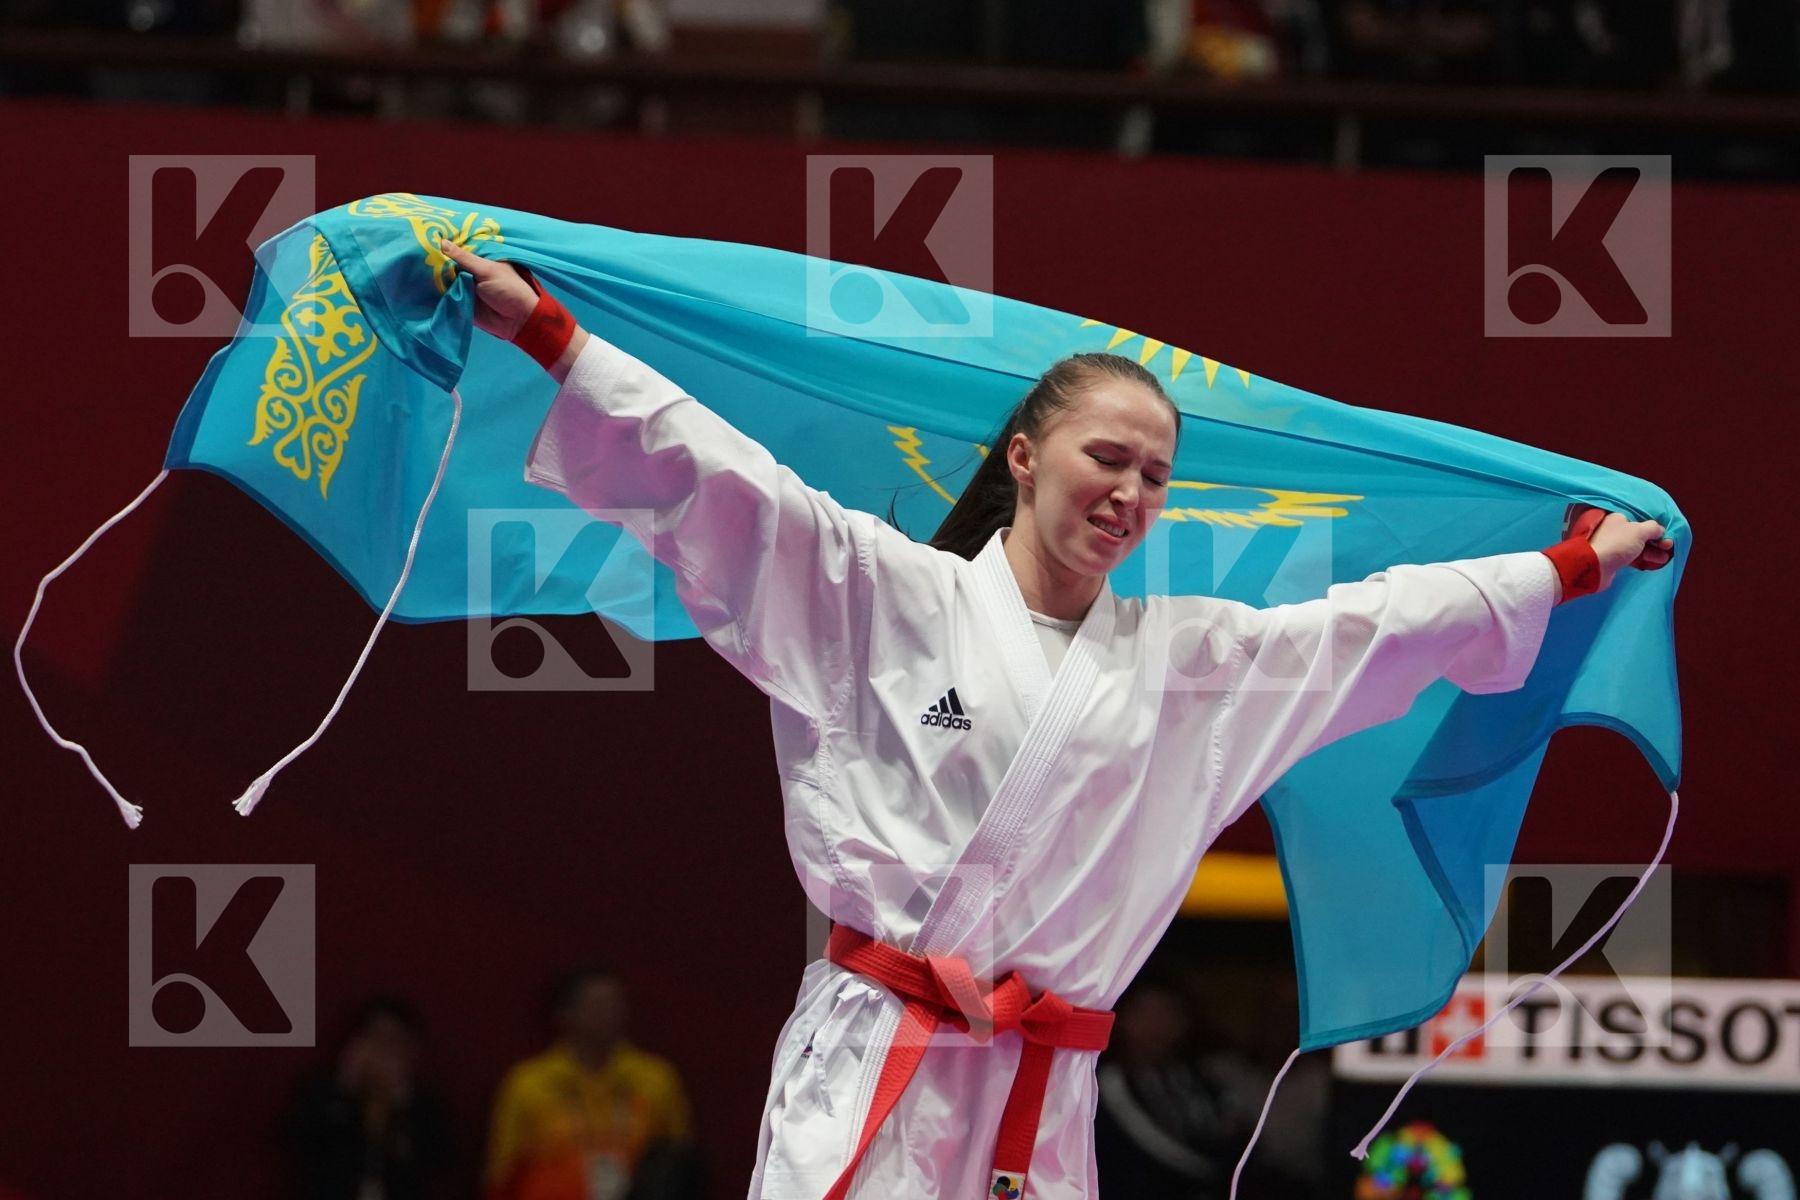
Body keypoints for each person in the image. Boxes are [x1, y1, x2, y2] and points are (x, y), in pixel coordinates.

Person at [437, 236, 1673, 1200]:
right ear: (1025, 456)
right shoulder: (885, 595)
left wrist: (1571, 568)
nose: (1131, 492)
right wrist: (549, 332)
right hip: (875, 1056)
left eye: (1155, 474)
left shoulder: (1190, 665)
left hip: (1044, 1091)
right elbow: (720, 481)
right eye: (1107, 457)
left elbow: (1376, 626)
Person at [484, 964, 697, 1200]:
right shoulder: (528, 1083)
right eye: (596, 1004)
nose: (608, 1012)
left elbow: (680, 1164)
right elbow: (502, 1172)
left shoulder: (656, 1078)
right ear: (565, 1013)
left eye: (614, 1003)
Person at [279, 994, 453, 1200]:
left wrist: (400, 1102)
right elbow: (298, 1140)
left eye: (393, 1042)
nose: (383, 1051)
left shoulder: (424, 1105)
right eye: (375, 1039)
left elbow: (439, 1161)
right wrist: (345, 1086)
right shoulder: (324, 1094)